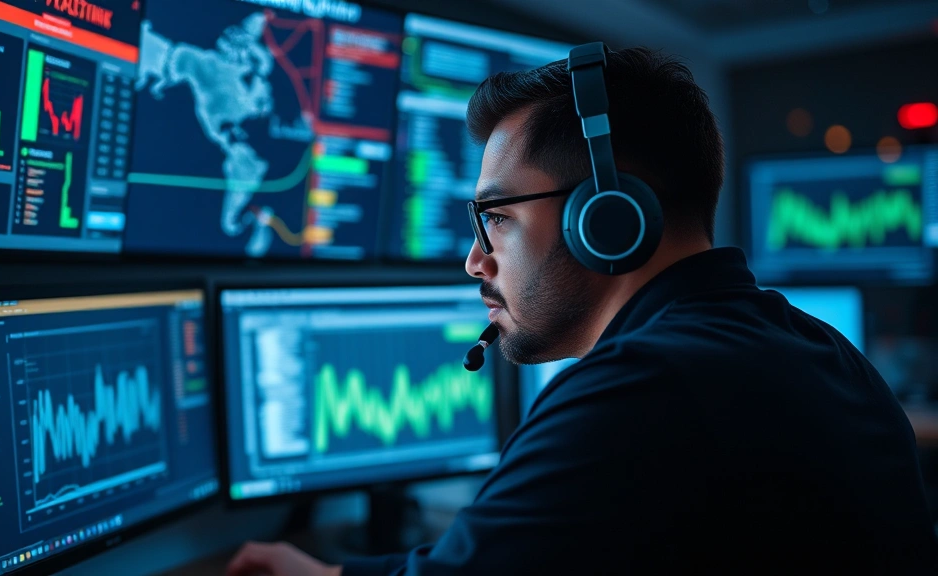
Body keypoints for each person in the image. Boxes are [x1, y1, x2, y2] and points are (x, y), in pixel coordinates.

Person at [227, 46, 938, 576]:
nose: (475, 260)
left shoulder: (643, 387)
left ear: (606, 216)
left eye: (495, 218)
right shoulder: (819, 351)